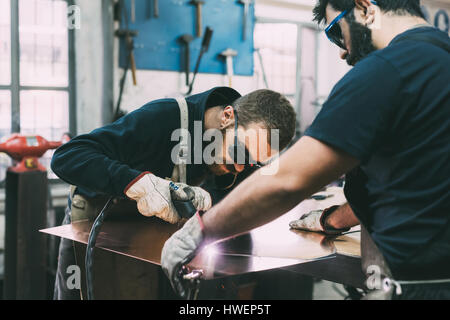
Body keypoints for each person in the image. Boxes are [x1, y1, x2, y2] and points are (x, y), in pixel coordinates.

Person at [161, 0, 450, 300]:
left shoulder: (387, 69)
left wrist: (200, 232)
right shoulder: (439, 58)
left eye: (336, 31)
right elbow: (414, 184)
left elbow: (287, 181)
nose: (342, 50)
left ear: (365, 8)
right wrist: (331, 219)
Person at [51, 87, 297, 299]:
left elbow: (251, 194)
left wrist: (211, 200)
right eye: (241, 153)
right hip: (95, 221)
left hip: (147, 233)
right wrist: (139, 184)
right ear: (227, 117)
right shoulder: (164, 118)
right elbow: (67, 156)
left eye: (252, 162)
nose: (241, 167)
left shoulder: (243, 150)